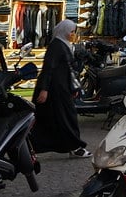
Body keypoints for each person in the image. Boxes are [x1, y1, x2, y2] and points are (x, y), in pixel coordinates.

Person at [29, 19, 91, 157]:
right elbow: (48, 68)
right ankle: (74, 147)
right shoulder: (57, 46)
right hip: (54, 90)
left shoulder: (63, 44)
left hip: (61, 88)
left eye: (74, 32)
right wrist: (44, 89)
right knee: (65, 118)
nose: (73, 34)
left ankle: (34, 147)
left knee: (57, 119)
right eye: (71, 32)